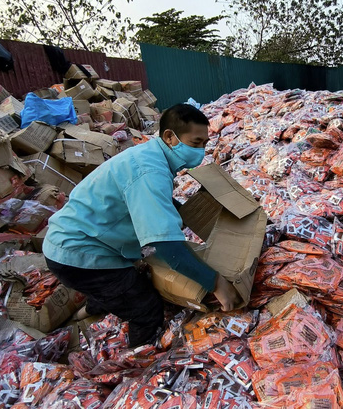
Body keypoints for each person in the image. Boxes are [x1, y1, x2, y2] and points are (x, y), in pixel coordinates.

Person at [43, 104, 240, 347]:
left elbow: (157, 203)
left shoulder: (151, 154)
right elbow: (165, 248)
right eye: (196, 143)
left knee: (123, 283)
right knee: (146, 307)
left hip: (73, 239)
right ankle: (137, 366)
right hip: (79, 254)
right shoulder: (150, 171)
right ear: (169, 137)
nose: (201, 152)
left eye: (204, 144)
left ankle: (91, 308)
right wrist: (216, 283)